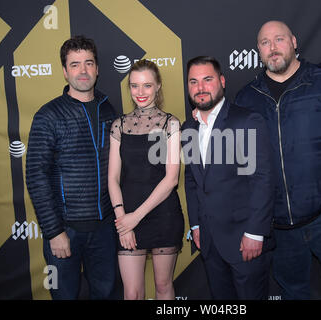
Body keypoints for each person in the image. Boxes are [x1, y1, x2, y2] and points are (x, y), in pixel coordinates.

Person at [235, 21, 321, 300]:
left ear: (294, 42)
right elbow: (242, 161)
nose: (273, 48)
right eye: (265, 42)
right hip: (280, 226)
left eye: (279, 39)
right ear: (258, 51)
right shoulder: (247, 97)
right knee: (293, 293)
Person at [26, 36, 118, 299]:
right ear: (65, 71)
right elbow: (35, 175)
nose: (83, 70)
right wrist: (54, 232)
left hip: (104, 229)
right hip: (66, 230)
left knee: (107, 293)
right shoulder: (48, 115)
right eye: (75, 64)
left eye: (88, 63)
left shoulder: (108, 109)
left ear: (97, 69)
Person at [182, 56, 275, 300]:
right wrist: (196, 225)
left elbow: (261, 179)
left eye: (207, 79)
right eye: (193, 82)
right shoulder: (188, 129)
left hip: (245, 240)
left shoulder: (245, 120)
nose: (200, 88)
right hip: (210, 243)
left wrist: (255, 232)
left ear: (222, 81)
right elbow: (192, 181)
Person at [108, 59, 184, 300]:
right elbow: (112, 178)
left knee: (163, 287)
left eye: (147, 86)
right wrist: (123, 221)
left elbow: (171, 179)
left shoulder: (170, 124)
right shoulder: (118, 126)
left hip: (163, 215)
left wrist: (135, 218)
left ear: (158, 86)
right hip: (126, 216)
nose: (140, 93)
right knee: (132, 294)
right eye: (134, 86)